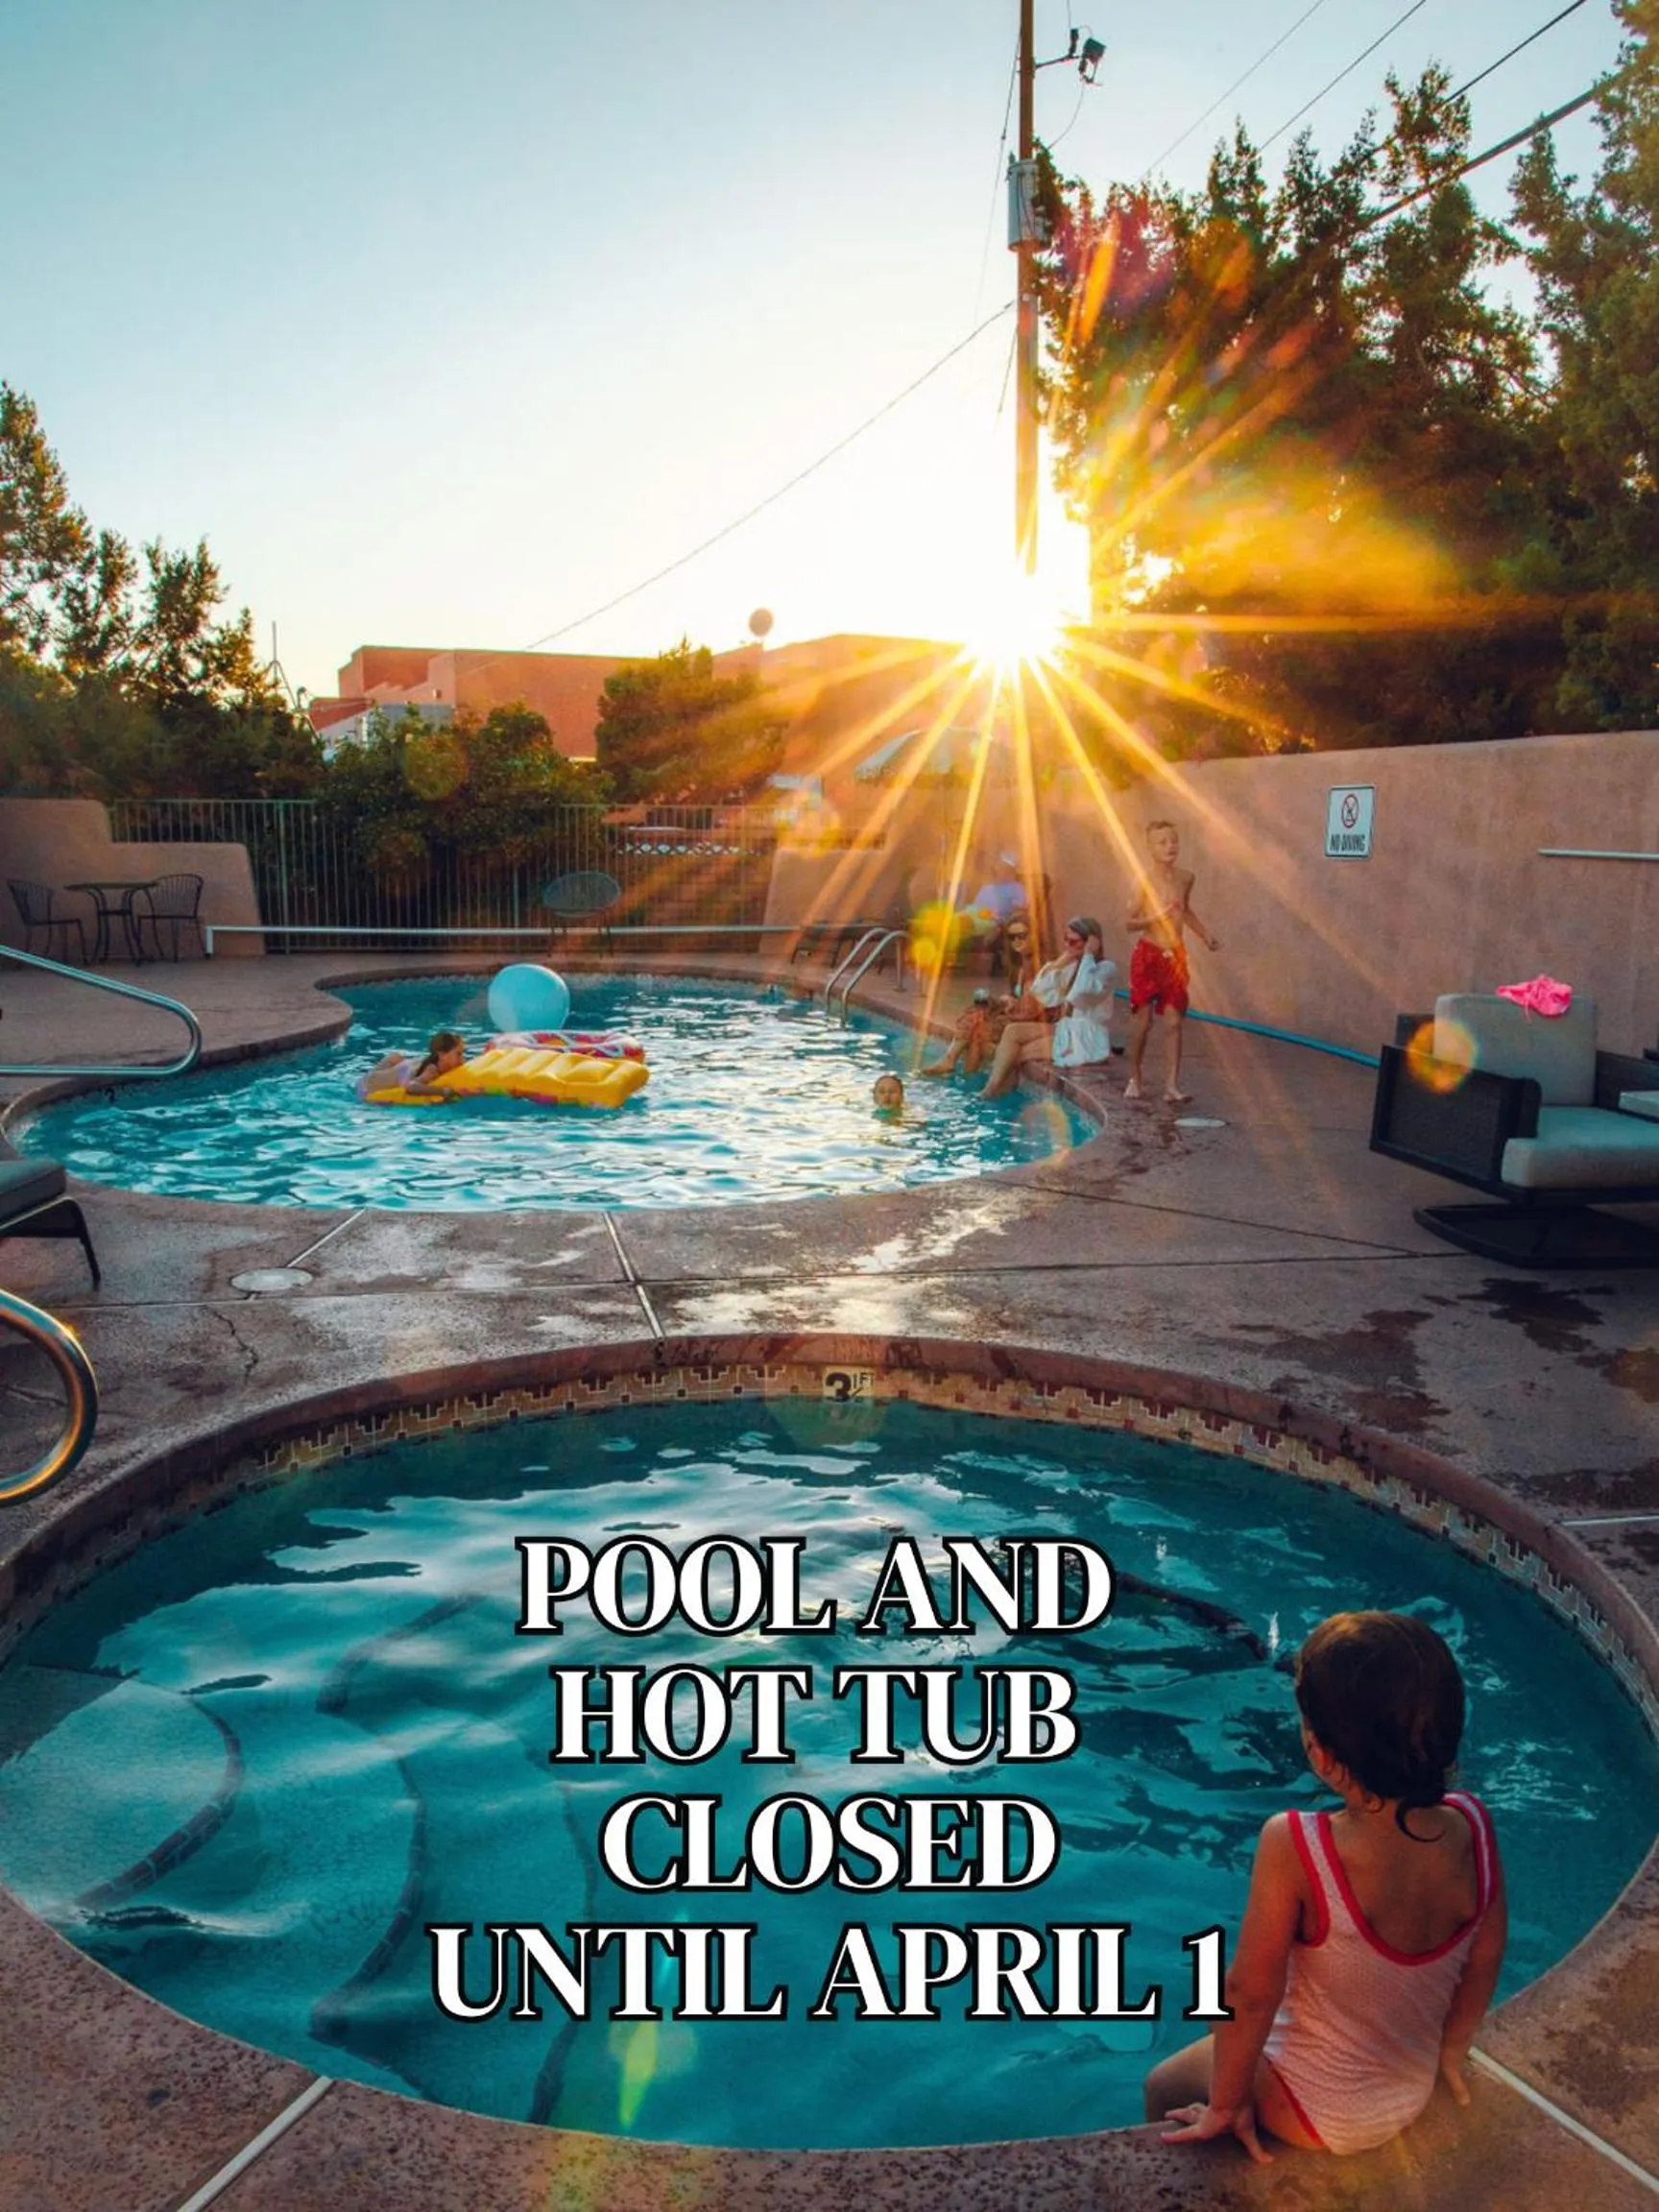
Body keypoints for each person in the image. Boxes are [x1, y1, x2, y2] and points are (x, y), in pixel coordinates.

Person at [1145, 1611, 1506, 2163]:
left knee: (1167, 2080)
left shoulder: (1297, 1843)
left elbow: (1251, 1992)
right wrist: (1452, 2050)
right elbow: (1485, 1953)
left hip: (1316, 2112)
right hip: (1412, 2086)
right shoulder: (1473, 1826)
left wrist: (1227, 2102)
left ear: (1320, 1753)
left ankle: (1194, 2174)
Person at [1124, 818, 1219, 1104]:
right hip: (1148, 955)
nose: (1170, 846)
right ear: (1150, 848)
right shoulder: (1143, 881)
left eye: (1173, 840)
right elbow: (1128, 922)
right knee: (1143, 1023)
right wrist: (1153, 918)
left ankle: (1171, 1086)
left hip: (1175, 956)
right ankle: (1135, 1077)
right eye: (1162, 842)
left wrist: (1205, 935)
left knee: (1174, 1022)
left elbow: (1186, 911)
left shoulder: (1186, 878)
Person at [979, 916, 1116, 1098]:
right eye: (1066, 940)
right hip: (1065, 1028)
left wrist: (1088, 956)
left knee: (1017, 1054)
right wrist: (1060, 962)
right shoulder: (1071, 966)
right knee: (1013, 1031)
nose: (1068, 946)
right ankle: (992, 1088)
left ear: (1091, 942)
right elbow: (1041, 991)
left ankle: (997, 1091)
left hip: (1085, 1039)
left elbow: (1080, 996)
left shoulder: (1106, 968)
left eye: (1073, 941)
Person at [920, 912, 1046, 1077]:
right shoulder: (1019, 965)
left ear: (1035, 936)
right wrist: (1005, 1000)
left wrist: (1006, 1005)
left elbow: (1030, 1012)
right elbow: (1017, 996)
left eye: (1022, 936)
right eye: (1012, 937)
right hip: (1016, 1014)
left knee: (978, 1032)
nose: (1017, 941)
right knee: (977, 1011)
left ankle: (961, 1074)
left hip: (1031, 1023)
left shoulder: (1041, 967)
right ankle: (954, 1065)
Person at [356, 1028, 468, 1102]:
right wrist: (444, 1091)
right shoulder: (432, 1070)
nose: (462, 1058)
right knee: (397, 1064)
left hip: (398, 1069)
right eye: (458, 1054)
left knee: (395, 1058)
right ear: (443, 1055)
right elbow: (411, 1088)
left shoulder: (439, 1062)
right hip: (368, 1086)